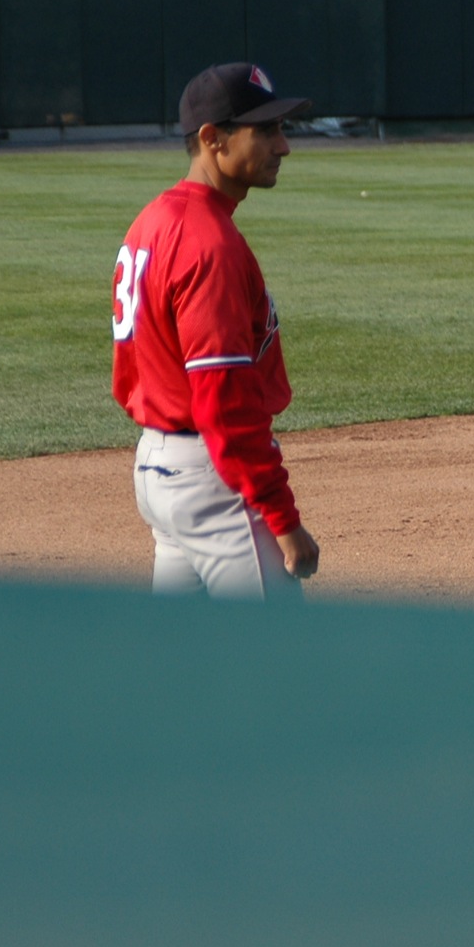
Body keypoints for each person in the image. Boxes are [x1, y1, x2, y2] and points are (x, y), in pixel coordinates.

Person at [110, 62, 323, 599]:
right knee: (275, 666)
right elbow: (224, 403)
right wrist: (284, 520)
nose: (284, 146)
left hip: (159, 470)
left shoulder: (153, 221)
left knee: (181, 666)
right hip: (217, 483)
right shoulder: (210, 244)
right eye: (267, 131)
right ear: (213, 139)